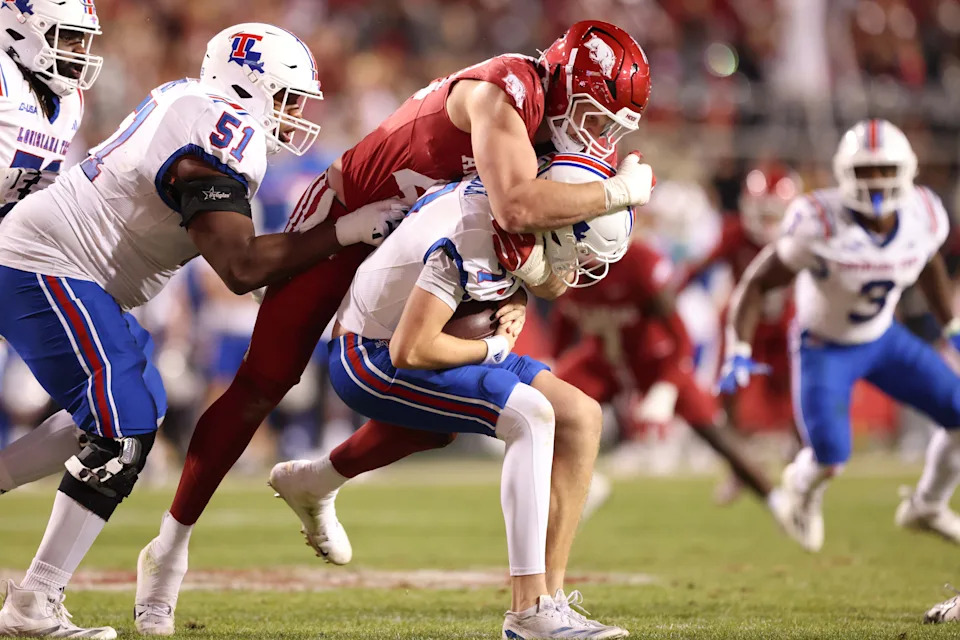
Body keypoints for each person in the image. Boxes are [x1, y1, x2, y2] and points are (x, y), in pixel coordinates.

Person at [137, 20, 656, 635]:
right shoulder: (506, 89)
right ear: (568, 84)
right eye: (595, 117)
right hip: (352, 217)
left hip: (426, 242)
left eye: (611, 129)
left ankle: (317, 480)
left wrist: (523, 284)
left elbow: (530, 251)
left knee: (440, 414)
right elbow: (515, 205)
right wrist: (618, 193)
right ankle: (168, 550)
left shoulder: (558, 140)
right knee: (263, 384)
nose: (597, 138)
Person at [0, 23, 401, 638]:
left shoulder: (197, 105)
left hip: (73, 272)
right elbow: (239, 267)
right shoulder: (218, 126)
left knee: (135, 412)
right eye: (288, 98)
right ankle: (34, 602)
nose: (295, 116)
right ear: (249, 84)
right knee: (122, 426)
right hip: (44, 263)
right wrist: (344, 233)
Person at [313, 156, 633, 638]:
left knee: (581, 415)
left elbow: (513, 267)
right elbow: (411, 348)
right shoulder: (474, 235)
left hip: (428, 338)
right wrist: (494, 346)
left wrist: (517, 299)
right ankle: (528, 611)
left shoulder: (515, 212)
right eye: (581, 251)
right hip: (370, 355)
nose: (580, 267)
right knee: (530, 416)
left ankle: (552, 597)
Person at [719, 119, 960, 552]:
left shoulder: (923, 214)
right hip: (824, 348)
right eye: (866, 171)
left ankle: (927, 504)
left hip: (885, 339)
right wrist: (738, 347)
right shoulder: (818, 222)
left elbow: (928, 263)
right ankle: (802, 485)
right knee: (831, 457)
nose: (877, 181)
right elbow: (755, 283)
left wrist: (952, 326)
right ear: (845, 173)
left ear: (906, 169)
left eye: (885, 168)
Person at [550, 236, 780, 512]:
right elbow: (562, 324)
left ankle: (778, 500)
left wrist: (666, 388)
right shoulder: (561, 263)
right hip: (603, 360)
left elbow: (681, 339)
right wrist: (552, 364)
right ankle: (584, 481)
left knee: (716, 434)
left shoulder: (639, 262)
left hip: (655, 361)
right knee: (547, 405)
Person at [0, 0, 102, 497]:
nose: (79, 52)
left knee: (113, 393)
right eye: (68, 36)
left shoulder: (70, 101)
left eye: (83, 39)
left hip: (12, 255)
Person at [680, 164, 802, 503]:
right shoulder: (736, 234)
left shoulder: (802, 236)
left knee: (800, 394)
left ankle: (801, 466)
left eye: (773, 214)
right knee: (729, 397)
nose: (766, 222)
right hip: (744, 327)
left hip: (785, 326)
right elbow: (700, 267)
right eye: (760, 213)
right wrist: (670, 288)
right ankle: (738, 470)